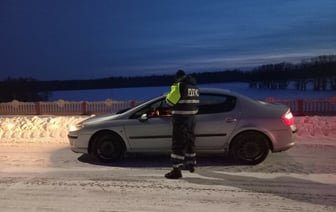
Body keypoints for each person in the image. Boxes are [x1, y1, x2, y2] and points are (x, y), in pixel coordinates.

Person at [165, 70, 200, 179]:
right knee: (190, 141)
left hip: (180, 119)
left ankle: (176, 170)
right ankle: (190, 164)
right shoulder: (194, 88)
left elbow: (170, 102)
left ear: (178, 77)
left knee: (178, 142)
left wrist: (169, 94)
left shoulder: (179, 86)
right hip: (191, 118)